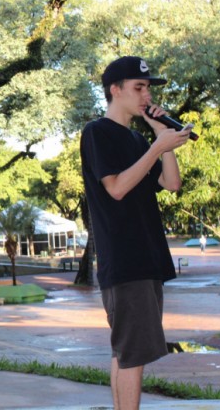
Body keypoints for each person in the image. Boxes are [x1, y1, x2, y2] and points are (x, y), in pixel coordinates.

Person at [80, 56, 193, 410]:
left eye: (148, 89)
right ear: (115, 90)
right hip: (125, 259)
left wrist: (162, 138)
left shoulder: (136, 139)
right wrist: (157, 148)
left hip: (146, 259)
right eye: (138, 88)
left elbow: (171, 183)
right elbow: (116, 187)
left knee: (125, 353)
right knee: (133, 356)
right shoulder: (97, 132)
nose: (146, 96)